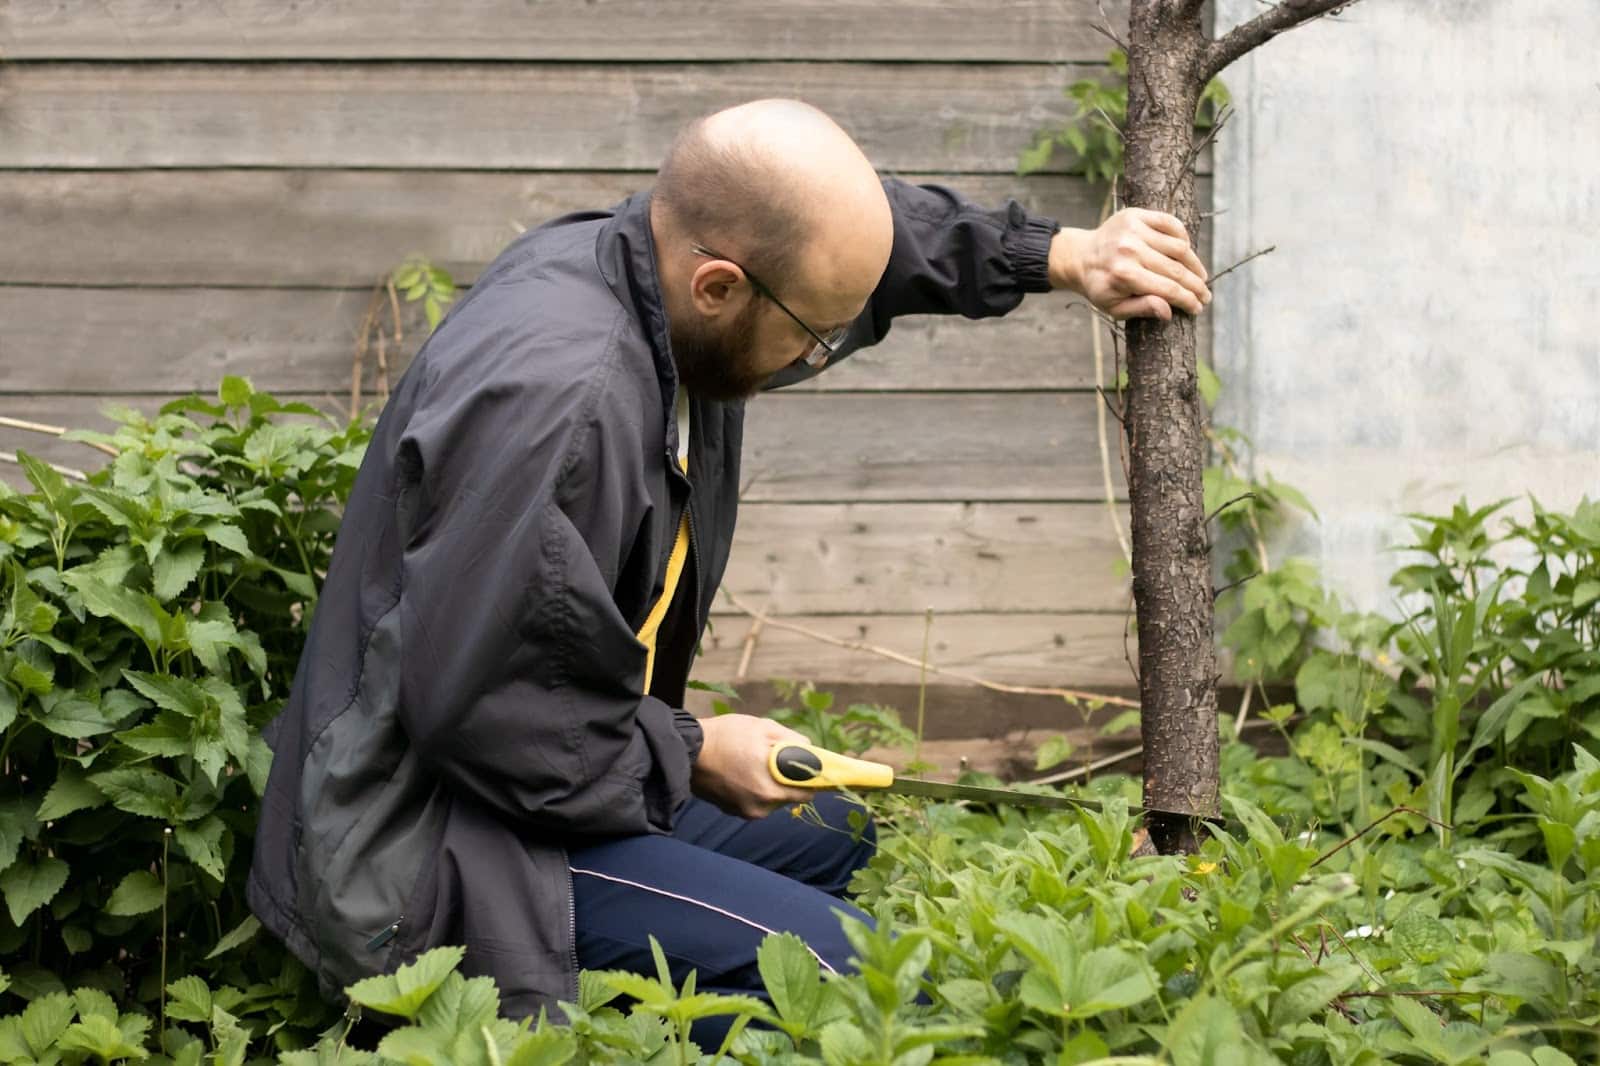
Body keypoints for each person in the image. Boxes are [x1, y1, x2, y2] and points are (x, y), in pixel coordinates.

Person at [246, 99, 1210, 1034]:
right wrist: (695, 751)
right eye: (815, 333)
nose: (818, 352)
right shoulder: (563, 409)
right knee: (851, 977)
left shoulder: (654, 266)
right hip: (437, 840)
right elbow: (491, 721)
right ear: (720, 286)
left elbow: (849, 234)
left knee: (830, 829)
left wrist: (1059, 255)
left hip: (519, 774)